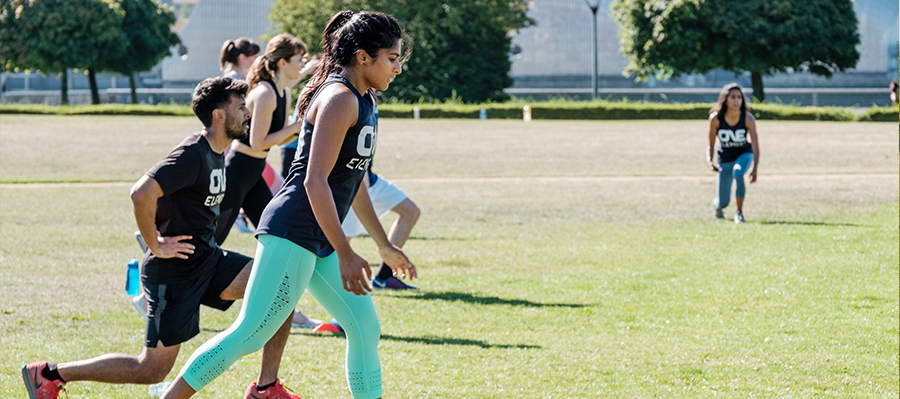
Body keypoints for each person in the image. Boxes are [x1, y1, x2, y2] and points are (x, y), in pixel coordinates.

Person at [160, 11, 415, 399]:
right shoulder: (339, 98)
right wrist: (346, 252)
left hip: (318, 235)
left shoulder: (365, 98)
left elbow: (354, 178)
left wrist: (382, 244)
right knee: (251, 332)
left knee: (364, 326)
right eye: (392, 58)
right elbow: (314, 182)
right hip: (294, 230)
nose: (398, 68)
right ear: (363, 57)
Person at [22, 76, 299, 399]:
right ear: (219, 116)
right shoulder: (192, 154)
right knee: (151, 369)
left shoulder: (218, 151)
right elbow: (141, 193)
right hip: (174, 271)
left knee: (281, 287)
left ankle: (265, 388)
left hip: (207, 260)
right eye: (240, 108)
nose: (248, 114)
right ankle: (49, 373)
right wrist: (155, 244)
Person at [213, 34, 308, 246]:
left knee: (274, 233)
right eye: (299, 60)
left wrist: (301, 129)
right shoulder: (265, 93)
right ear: (283, 62)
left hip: (254, 172)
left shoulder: (284, 92)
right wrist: (296, 127)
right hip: (238, 171)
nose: (303, 65)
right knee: (214, 237)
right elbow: (258, 143)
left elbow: (280, 140)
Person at [343, 169, 420, 289]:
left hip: (370, 181)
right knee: (342, 242)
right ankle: (335, 283)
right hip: (349, 184)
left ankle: (383, 277)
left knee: (411, 211)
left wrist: (385, 246)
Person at [707, 83, 760, 223]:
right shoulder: (716, 118)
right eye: (733, 97)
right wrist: (710, 160)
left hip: (744, 154)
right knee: (723, 202)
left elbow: (755, 145)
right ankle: (717, 206)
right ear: (725, 100)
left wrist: (755, 169)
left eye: (739, 97)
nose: (737, 100)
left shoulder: (748, 118)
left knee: (738, 172)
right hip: (725, 158)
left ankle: (739, 212)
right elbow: (711, 143)